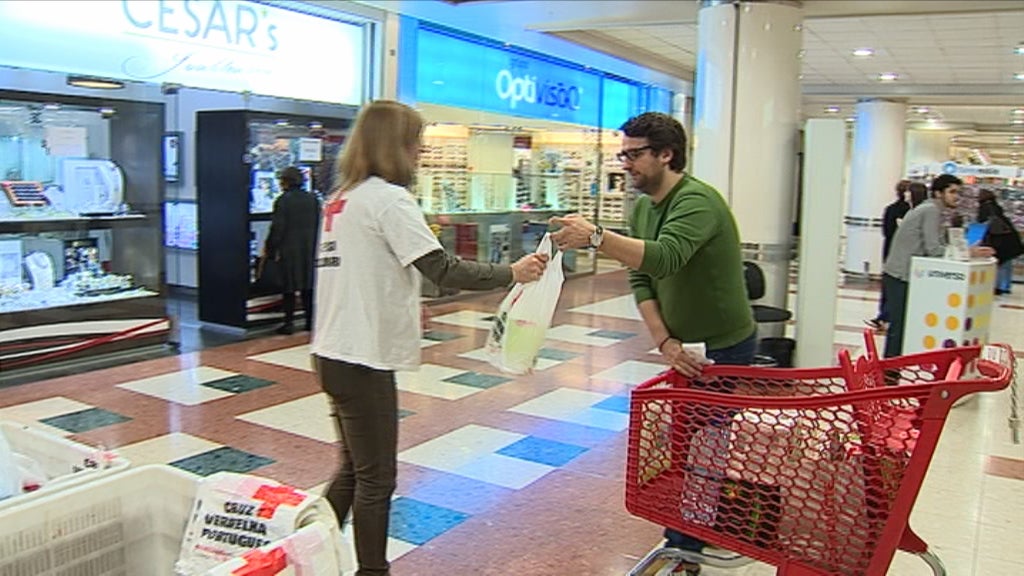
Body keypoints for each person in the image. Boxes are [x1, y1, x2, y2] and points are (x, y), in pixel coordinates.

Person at [310, 100, 547, 576]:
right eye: (416, 140)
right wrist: (513, 272)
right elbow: (443, 267)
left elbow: (366, 270)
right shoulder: (389, 199)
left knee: (354, 469)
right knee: (377, 478)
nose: (421, 150)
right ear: (395, 144)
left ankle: (296, 547)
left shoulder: (344, 197)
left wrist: (402, 299)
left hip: (332, 350)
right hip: (361, 356)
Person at [550, 112, 756, 568]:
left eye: (635, 154)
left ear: (667, 154)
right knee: (689, 445)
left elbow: (666, 258)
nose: (626, 164)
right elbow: (642, 278)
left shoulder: (697, 201)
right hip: (682, 346)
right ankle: (689, 538)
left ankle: (686, 546)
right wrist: (665, 342)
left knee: (706, 448)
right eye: (623, 154)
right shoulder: (643, 207)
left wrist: (598, 237)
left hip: (723, 346)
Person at [881, 175, 994, 358]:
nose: (956, 196)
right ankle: (888, 374)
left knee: (904, 324)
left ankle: (893, 369)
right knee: (900, 325)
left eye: (959, 192)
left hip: (906, 274)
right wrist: (967, 253)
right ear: (938, 193)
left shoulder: (933, 210)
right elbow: (934, 249)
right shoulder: (931, 210)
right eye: (952, 192)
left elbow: (938, 245)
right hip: (900, 275)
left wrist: (963, 249)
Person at [265, 166, 320, 335]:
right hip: (311, 248)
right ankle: (309, 321)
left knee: (289, 287)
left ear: (285, 181)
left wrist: (270, 249)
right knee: (308, 286)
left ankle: (288, 323)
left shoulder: (283, 201)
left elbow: (278, 228)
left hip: (289, 249)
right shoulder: (313, 199)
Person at [866, 180, 911, 333]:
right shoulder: (912, 212)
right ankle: (887, 316)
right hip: (904, 254)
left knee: (888, 285)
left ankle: (883, 315)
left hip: (889, 250)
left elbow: (886, 231)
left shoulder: (890, 209)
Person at [977, 188, 1023, 295]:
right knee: (1007, 263)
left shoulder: (986, 207)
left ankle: (998, 287)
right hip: (1010, 240)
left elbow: (982, 221)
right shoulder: (996, 207)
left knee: (1000, 263)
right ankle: (1005, 286)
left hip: (1000, 240)